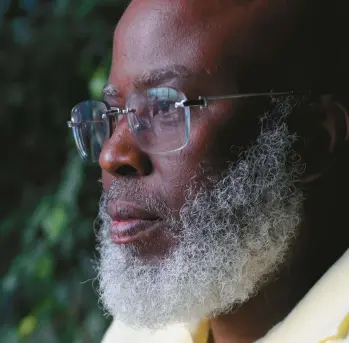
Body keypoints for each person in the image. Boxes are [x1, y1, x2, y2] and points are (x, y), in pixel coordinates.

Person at [67, 0, 349, 342]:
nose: (112, 155)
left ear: (308, 141)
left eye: (164, 108)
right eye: (114, 112)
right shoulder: (151, 328)